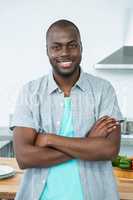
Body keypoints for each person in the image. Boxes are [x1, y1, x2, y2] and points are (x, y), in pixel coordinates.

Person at [11, 19, 123, 200]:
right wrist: (89, 143)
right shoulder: (30, 92)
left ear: (81, 47)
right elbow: (24, 157)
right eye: (56, 47)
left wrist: (48, 138)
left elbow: (109, 149)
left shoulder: (103, 89)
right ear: (47, 50)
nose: (65, 53)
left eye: (72, 45)